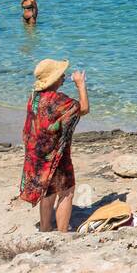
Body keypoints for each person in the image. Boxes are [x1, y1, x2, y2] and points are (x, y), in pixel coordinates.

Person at [19, 59, 88, 233]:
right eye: (60, 75)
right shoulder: (58, 101)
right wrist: (80, 84)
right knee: (66, 190)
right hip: (55, 153)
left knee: (48, 190)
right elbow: (84, 108)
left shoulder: (34, 96)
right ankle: (62, 233)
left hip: (37, 153)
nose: (64, 76)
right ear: (53, 79)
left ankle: (45, 228)